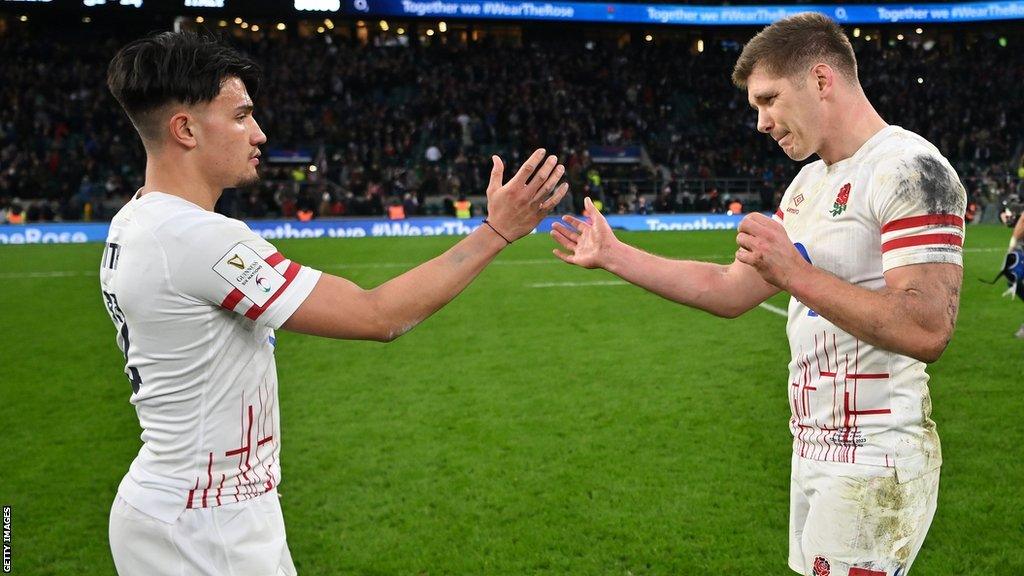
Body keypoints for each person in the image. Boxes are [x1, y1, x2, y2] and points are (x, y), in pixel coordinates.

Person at [101, 32, 567, 576]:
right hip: (206, 522)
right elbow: (379, 315)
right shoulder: (196, 238)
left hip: (186, 504)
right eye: (241, 115)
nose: (260, 132)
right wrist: (497, 231)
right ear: (185, 129)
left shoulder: (135, 218)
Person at [551, 13, 964, 576]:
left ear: (822, 80)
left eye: (769, 99)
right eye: (755, 108)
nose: (762, 122)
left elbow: (927, 327)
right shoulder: (808, 184)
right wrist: (615, 255)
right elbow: (730, 290)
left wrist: (793, 274)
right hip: (813, 447)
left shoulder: (910, 169)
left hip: (875, 453)